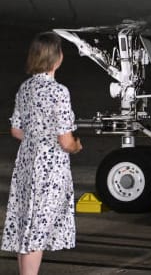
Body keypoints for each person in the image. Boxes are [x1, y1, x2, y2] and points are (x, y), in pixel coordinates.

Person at [2, 32, 83, 275]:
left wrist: (36, 138)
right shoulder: (58, 92)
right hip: (49, 168)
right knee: (37, 227)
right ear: (57, 58)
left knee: (27, 223)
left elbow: (16, 130)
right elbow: (65, 140)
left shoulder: (25, 88)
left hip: (27, 162)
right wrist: (76, 146)